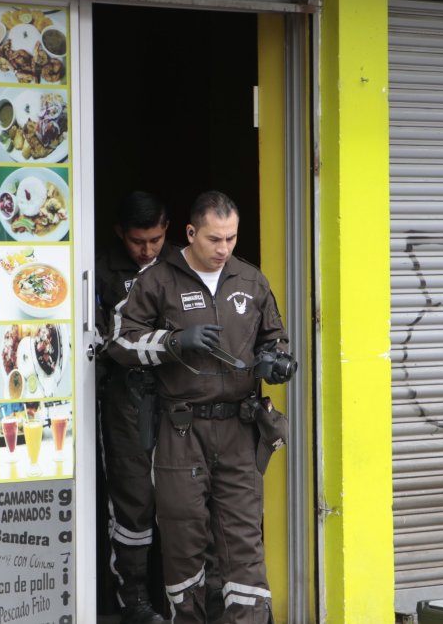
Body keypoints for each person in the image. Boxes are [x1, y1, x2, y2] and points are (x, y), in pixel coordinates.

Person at [108, 191, 295, 624]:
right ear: (191, 233)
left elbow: (274, 337)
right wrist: (173, 343)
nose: (224, 249)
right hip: (180, 431)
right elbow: (119, 341)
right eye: (214, 239)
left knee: (243, 540)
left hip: (239, 430)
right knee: (184, 537)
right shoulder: (156, 281)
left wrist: (277, 361)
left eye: (231, 238)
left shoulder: (250, 280)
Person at [96, 191, 172, 624]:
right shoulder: (100, 270)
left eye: (156, 240)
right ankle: (134, 601)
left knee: (185, 501)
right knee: (133, 500)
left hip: (179, 399)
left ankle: (191, 597)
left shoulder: (183, 264)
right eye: (137, 241)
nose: (147, 251)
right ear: (119, 234)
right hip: (125, 399)